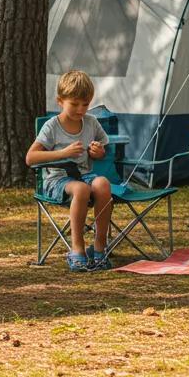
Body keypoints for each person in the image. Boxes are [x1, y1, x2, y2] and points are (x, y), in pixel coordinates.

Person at [26, 70, 112, 272]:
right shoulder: (52, 126)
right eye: (74, 104)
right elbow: (31, 158)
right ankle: (77, 248)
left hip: (84, 176)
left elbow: (101, 152)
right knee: (82, 190)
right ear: (60, 101)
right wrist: (63, 153)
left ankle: (100, 247)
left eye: (85, 104)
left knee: (102, 184)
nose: (80, 109)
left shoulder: (91, 123)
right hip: (57, 180)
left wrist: (97, 151)